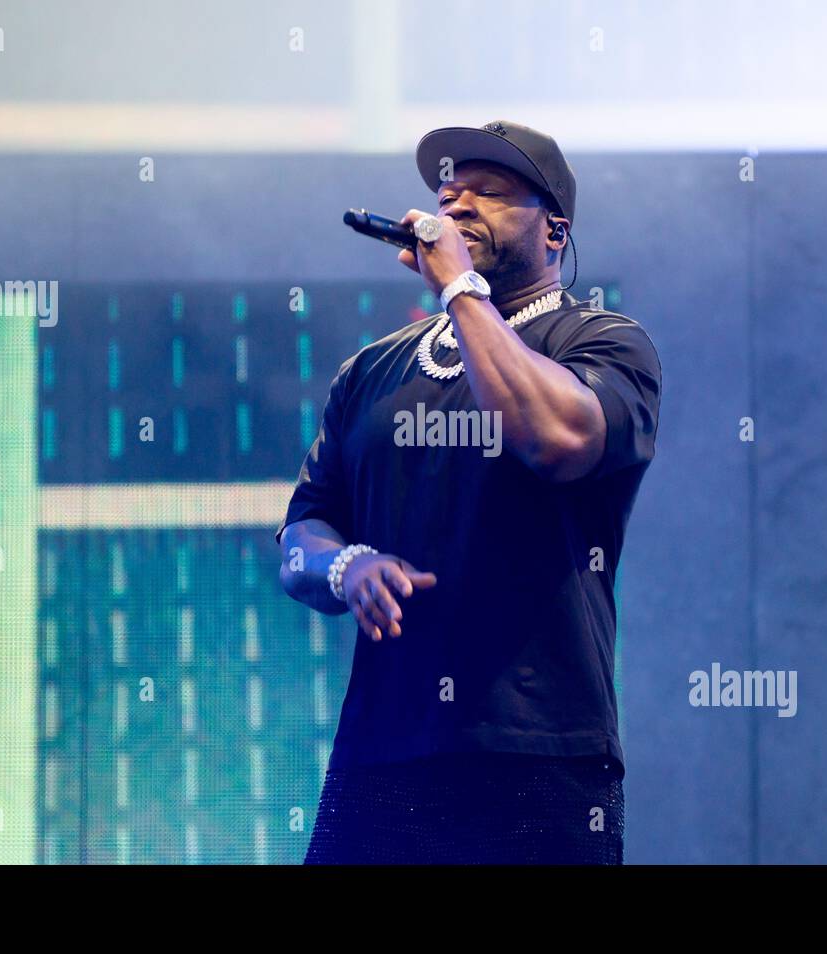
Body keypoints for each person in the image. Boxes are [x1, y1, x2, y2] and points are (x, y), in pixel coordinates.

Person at [276, 120, 662, 864]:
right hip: (382, 755)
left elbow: (553, 437)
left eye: (489, 193)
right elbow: (300, 537)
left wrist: (460, 286)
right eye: (448, 193)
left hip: (539, 753)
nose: (456, 205)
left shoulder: (604, 344)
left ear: (555, 231)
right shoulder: (369, 373)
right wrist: (344, 566)